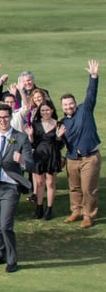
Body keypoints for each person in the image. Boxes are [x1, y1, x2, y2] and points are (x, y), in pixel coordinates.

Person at [0, 104, 35, 273]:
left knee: (5, 225)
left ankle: (12, 259)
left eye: (5, 117)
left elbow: (31, 165)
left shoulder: (21, 138)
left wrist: (22, 161)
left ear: (11, 117)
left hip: (11, 187)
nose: (3, 120)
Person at [59, 59, 100, 229]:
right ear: (62, 107)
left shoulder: (85, 109)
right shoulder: (62, 123)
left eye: (71, 103)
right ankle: (76, 211)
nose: (68, 106)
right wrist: (58, 137)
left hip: (89, 158)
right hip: (72, 159)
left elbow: (91, 93)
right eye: (65, 105)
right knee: (74, 188)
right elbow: (60, 144)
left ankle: (88, 215)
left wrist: (93, 76)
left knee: (88, 188)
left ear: (75, 104)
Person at [25, 103, 63, 220]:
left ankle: (49, 209)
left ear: (52, 110)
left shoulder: (58, 124)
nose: (45, 112)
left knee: (50, 183)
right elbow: (33, 144)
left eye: (47, 110)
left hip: (52, 156)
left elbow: (60, 145)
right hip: (39, 156)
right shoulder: (35, 124)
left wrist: (59, 136)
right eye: (42, 110)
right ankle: (39, 208)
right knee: (40, 183)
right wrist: (30, 136)